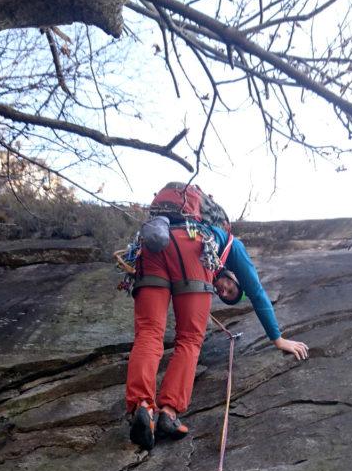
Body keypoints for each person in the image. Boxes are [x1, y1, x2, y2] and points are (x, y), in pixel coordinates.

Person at [125, 183, 309, 451]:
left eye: (224, 295)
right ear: (233, 276)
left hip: (152, 244)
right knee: (189, 339)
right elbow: (256, 292)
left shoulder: (180, 224)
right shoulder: (230, 243)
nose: (224, 290)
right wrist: (277, 339)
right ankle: (169, 412)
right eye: (231, 288)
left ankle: (141, 406)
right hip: (192, 247)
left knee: (149, 332)